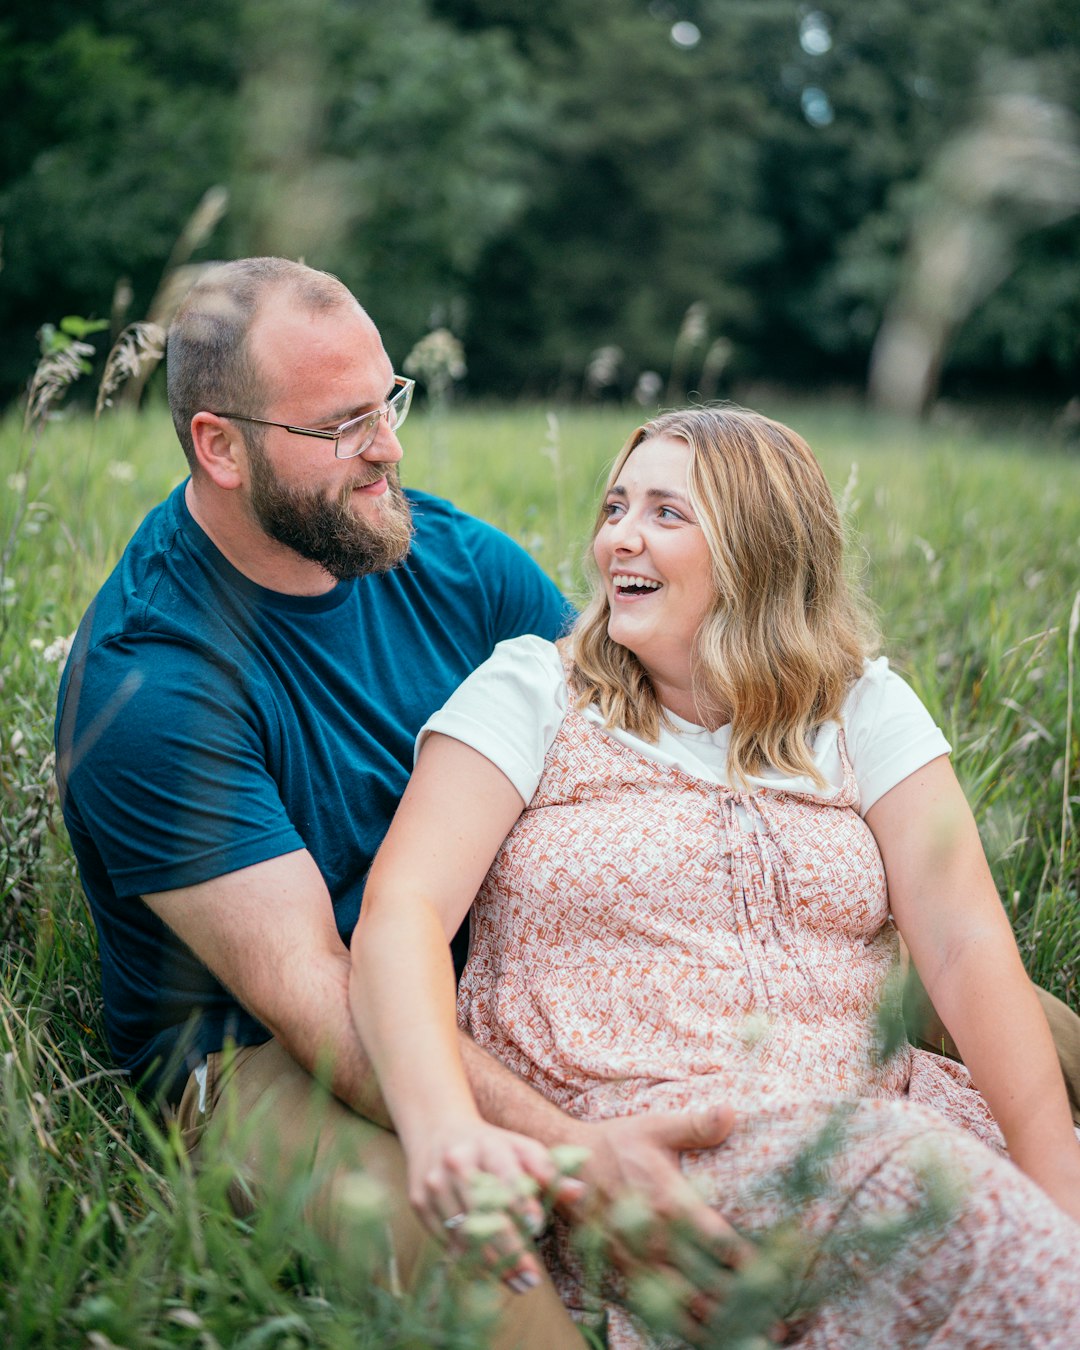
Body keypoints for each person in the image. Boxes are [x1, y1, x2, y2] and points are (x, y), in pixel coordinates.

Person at [55, 258, 758, 1349]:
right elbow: (319, 999)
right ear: (220, 446)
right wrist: (575, 1153)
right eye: (341, 425)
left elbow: (639, 747)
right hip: (256, 1054)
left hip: (474, 955)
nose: (387, 445)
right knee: (486, 1249)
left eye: (389, 400)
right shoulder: (154, 679)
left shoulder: (454, 563)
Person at [349, 406, 1080, 1347]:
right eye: (616, 506)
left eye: (665, 513)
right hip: (652, 1152)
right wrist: (450, 1129)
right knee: (949, 1212)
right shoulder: (533, 690)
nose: (620, 537)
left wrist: (1054, 1174)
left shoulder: (861, 706)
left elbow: (967, 942)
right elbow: (403, 912)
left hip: (880, 1122)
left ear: (759, 550)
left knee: (978, 1226)